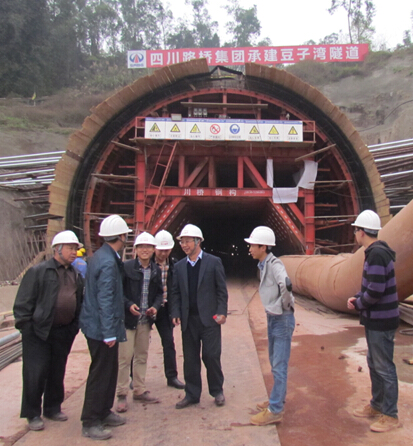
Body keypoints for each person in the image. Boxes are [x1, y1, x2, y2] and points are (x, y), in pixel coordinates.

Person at [13, 230, 84, 431]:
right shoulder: (38, 272)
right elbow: (23, 304)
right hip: (38, 333)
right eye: (70, 248)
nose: (74, 252)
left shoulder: (76, 274)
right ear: (57, 249)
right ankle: (32, 413)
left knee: (57, 371)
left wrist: (73, 327)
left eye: (75, 248)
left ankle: (52, 408)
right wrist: (27, 328)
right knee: (35, 373)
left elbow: (79, 302)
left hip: (63, 332)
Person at [347, 210, 401, 433]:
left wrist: (359, 304)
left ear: (362, 232)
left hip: (381, 320)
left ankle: (390, 415)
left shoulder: (377, 254)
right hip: (375, 319)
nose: (354, 234)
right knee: (374, 363)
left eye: (355, 230)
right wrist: (358, 297)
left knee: (384, 367)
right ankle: (377, 405)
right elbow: (372, 286)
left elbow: (376, 290)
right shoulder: (374, 253)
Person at [79, 215, 132, 440]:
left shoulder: (100, 256)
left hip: (97, 325)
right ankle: (91, 421)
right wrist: (109, 332)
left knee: (109, 372)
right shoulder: (109, 262)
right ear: (121, 236)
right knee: (100, 374)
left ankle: (103, 412)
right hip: (101, 329)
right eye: (126, 234)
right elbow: (105, 298)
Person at [170, 224, 228, 409]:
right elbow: (175, 292)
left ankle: (217, 391)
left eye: (187, 241)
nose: (184, 245)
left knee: (211, 356)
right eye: (182, 242)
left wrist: (222, 312)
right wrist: (176, 312)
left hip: (209, 319)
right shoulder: (179, 267)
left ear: (198, 241)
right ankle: (192, 394)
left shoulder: (213, 262)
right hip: (189, 320)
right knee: (190, 359)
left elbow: (221, 290)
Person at [244, 226, 295, 426]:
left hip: (281, 319)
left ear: (263, 247)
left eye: (253, 245)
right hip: (273, 318)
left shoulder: (275, 264)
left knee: (279, 366)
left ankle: (275, 410)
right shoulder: (264, 265)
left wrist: (284, 307)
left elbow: (286, 285)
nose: (250, 249)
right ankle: (277, 398)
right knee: (274, 362)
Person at [115, 232, 163, 413]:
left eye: (148, 247)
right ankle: (121, 394)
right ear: (135, 249)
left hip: (144, 322)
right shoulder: (126, 267)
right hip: (128, 321)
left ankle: (139, 390)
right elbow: (118, 292)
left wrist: (155, 307)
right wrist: (128, 305)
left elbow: (159, 293)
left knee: (141, 356)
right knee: (125, 358)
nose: (145, 250)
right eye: (141, 247)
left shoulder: (156, 270)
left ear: (153, 250)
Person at [153, 230, 185, 389]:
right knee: (139, 345)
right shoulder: (146, 264)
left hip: (165, 309)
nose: (163, 253)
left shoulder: (174, 265)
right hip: (148, 309)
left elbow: (176, 290)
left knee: (168, 343)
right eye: (160, 250)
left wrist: (175, 311)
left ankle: (172, 377)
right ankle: (134, 377)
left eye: (166, 250)